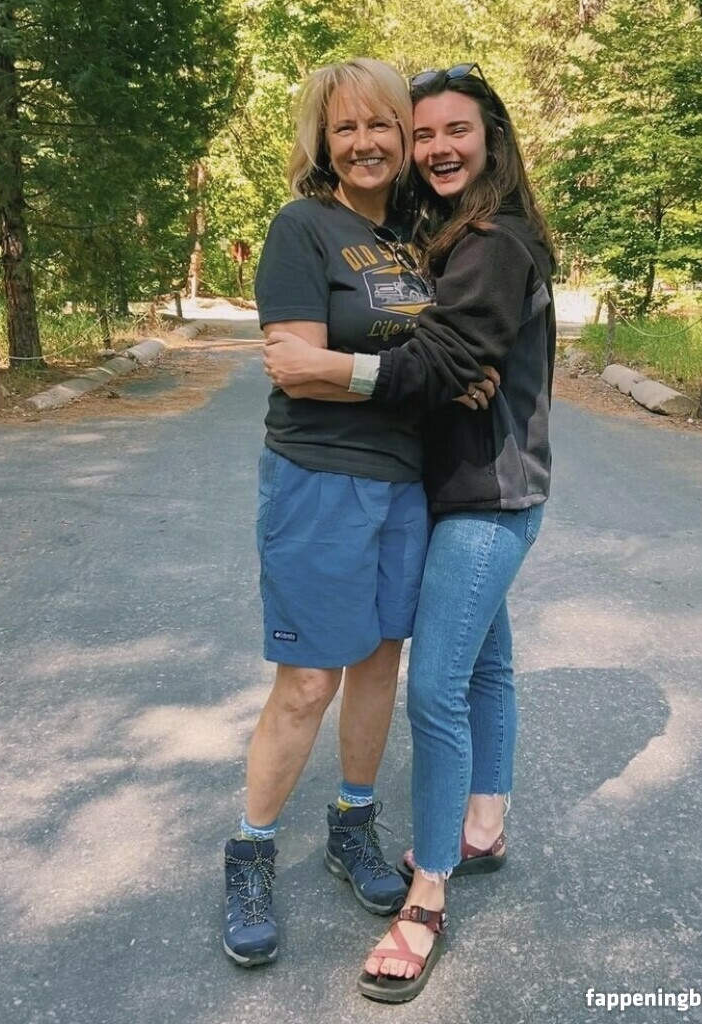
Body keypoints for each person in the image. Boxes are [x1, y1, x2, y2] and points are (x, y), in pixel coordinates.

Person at [263, 62, 556, 1002]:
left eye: (452, 131)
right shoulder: (434, 234)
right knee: (483, 667)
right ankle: (481, 828)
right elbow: (431, 359)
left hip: (486, 493)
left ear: (492, 137)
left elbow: (446, 360)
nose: (434, 148)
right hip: (437, 486)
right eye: (422, 132)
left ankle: (427, 894)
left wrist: (336, 368)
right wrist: (437, 371)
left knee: (432, 686)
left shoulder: (495, 239)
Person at [223, 58, 446, 969]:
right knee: (310, 680)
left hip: (407, 482)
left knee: (379, 663)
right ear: (322, 140)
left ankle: (353, 824)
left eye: (380, 125)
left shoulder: (417, 237)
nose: (364, 143)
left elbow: (446, 357)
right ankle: (250, 853)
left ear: (404, 134)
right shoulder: (303, 227)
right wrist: (408, 379)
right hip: (318, 478)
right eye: (344, 128)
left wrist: (366, 375)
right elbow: (295, 368)